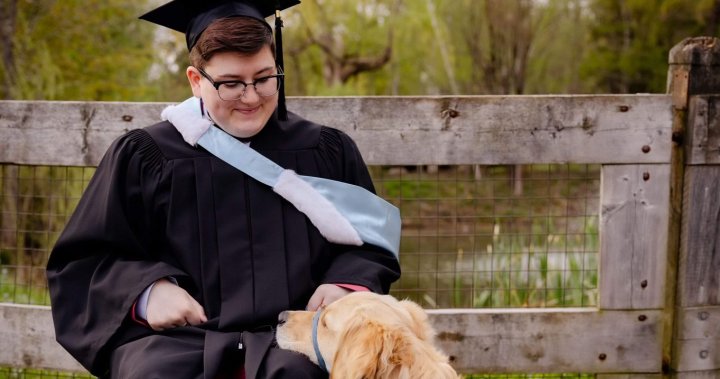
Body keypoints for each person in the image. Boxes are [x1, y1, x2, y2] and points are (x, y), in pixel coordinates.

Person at [45, 1, 401, 378]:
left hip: (296, 336)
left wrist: (346, 284)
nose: (251, 97)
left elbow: (371, 244)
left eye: (264, 79)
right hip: (178, 342)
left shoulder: (324, 151)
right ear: (195, 80)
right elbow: (84, 262)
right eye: (231, 84)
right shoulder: (146, 157)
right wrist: (146, 292)